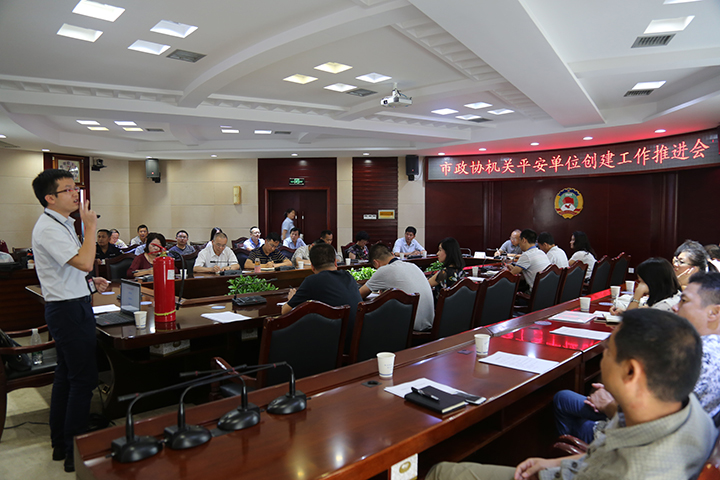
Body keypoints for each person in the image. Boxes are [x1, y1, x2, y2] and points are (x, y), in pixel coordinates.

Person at [427, 309, 717, 480]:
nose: (602, 358)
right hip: (574, 469)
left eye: (607, 352)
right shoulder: (685, 406)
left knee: (441, 472)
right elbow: (603, 454)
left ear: (631, 372)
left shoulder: (633, 472)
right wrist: (555, 463)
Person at [553, 272, 720, 445]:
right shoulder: (702, 347)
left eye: (684, 301)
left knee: (563, 401)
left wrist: (608, 404)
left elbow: (655, 426)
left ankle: (576, 453)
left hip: (631, 442)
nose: (676, 307)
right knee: (566, 398)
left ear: (714, 312)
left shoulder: (700, 358)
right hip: (641, 426)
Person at [31, 169, 110, 473]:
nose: (75, 193)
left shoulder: (62, 223)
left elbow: (73, 269)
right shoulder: (49, 228)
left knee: (66, 376)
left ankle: (61, 444)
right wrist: (91, 227)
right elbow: (85, 261)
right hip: (67, 311)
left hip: (72, 304)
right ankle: (74, 452)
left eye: (75, 187)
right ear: (50, 198)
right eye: (68, 189)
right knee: (84, 380)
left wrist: (90, 283)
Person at [282, 242, 362, 352]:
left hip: (332, 347)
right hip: (357, 343)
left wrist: (291, 299)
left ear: (312, 267)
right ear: (335, 262)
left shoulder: (312, 281)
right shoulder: (348, 277)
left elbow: (285, 311)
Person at [359, 244, 434, 331]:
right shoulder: (413, 265)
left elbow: (359, 294)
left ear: (376, 262)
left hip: (411, 328)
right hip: (430, 324)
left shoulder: (384, 270)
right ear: (392, 254)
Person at [609, 257, 681, 314]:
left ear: (652, 282)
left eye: (641, 281)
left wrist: (637, 296)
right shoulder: (675, 294)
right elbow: (646, 308)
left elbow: (629, 321)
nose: (639, 285)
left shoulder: (663, 306)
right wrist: (624, 312)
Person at [428, 237, 466, 302]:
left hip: (439, 307)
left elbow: (425, 285)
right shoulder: (462, 272)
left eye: (440, 250)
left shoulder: (444, 273)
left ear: (448, 252)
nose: (437, 253)